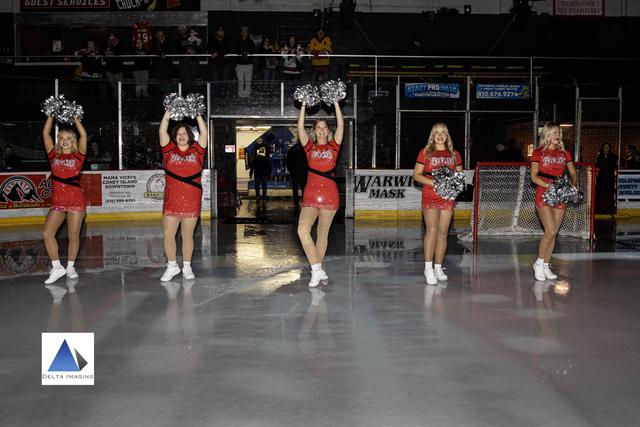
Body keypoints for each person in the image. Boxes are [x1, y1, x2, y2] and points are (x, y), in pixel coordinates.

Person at [296, 100, 344, 287]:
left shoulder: (334, 147)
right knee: (302, 230)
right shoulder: (309, 148)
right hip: (311, 194)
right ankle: (317, 269)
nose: (322, 130)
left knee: (322, 234)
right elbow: (300, 128)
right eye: (319, 128)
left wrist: (336, 103)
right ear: (314, 131)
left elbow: (341, 125)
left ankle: (318, 269)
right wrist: (303, 105)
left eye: (325, 127)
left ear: (328, 131)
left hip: (330, 195)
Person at [158, 109, 208, 282]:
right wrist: (168, 112)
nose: (181, 136)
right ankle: (172, 266)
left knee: (187, 235)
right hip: (172, 200)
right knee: (168, 234)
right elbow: (162, 131)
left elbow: (204, 133)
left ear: (189, 136)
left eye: (184, 133)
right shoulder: (169, 151)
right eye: (178, 134)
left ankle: (187, 266)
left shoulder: (197, 151)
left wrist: (197, 113)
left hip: (191, 200)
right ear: (175, 137)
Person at [412, 123, 463, 285]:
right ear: (432, 136)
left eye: (443, 133)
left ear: (447, 136)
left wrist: (453, 186)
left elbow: (460, 175)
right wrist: (435, 183)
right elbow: (417, 175)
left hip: (447, 197)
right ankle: (428, 268)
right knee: (432, 230)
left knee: (443, 232)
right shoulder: (425, 152)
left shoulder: (455, 154)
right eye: (437, 133)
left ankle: (438, 267)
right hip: (431, 194)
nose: (440, 136)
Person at [41, 116, 88, 284]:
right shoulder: (53, 156)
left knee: (73, 235)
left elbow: (84, 135)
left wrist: (75, 119)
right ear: (58, 141)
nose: (65, 141)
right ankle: (57, 267)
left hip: (76, 199)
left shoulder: (78, 157)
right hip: (58, 201)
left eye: (68, 138)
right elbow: (45, 134)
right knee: (47, 233)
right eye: (61, 138)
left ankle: (70, 267)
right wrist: (50, 115)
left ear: (73, 141)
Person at [530, 122, 578, 281]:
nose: (558, 135)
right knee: (550, 230)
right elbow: (534, 176)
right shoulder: (538, 153)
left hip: (560, 194)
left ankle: (545, 265)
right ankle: (538, 263)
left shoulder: (565, 154)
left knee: (553, 233)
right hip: (544, 193)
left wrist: (572, 185)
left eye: (559, 133)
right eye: (555, 132)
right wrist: (550, 187)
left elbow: (573, 173)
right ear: (547, 134)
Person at [208, 24, 232, 94]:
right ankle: (217, 92)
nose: (221, 31)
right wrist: (221, 53)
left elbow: (228, 49)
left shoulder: (227, 39)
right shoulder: (212, 39)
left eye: (222, 30)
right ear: (216, 31)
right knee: (216, 78)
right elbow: (210, 49)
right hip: (215, 63)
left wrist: (218, 53)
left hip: (225, 62)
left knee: (225, 78)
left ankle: (224, 92)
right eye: (219, 30)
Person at [150, 30, 173, 98]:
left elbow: (170, 51)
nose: (160, 36)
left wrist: (164, 53)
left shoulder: (168, 42)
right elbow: (153, 51)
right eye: (159, 35)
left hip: (167, 65)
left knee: (167, 81)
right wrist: (160, 53)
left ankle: (168, 96)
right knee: (159, 81)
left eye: (162, 35)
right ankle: (160, 96)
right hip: (158, 65)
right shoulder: (154, 42)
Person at [596, 143, 617, 214]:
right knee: (601, 194)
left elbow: (614, 165)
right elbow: (598, 165)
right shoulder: (600, 156)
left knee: (609, 194)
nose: (606, 148)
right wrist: (601, 157)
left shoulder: (613, 156)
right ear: (603, 148)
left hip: (610, 178)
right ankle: (600, 209)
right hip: (601, 178)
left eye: (608, 147)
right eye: (605, 147)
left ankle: (609, 209)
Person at [234, 26, 255, 98]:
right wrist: (242, 52)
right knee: (240, 81)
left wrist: (248, 52)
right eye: (243, 32)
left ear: (247, 33)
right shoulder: (237, 41)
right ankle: (240, 95)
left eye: (245, 32)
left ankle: (247, 95)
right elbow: (235, 50)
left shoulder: (251, 42)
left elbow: (253, 51)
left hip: (248, 64)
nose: (244, 33)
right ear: (241, 33)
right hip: (239, 64)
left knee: (248, 81)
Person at [286, 140, 308, 206]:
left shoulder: (291, 149)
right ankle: (304, 200)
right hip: (303, 172)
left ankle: (296, 200)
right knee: (303, 187)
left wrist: (291, 170)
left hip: (294, 172)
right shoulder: (305, 150)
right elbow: (307, 161)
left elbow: (288, 161)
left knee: (295, 187)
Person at [102, 33, 124, 98]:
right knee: (114, 86)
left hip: (118, 69)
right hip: (109, 69)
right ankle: (123, 94)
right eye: (110, 36)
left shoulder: (119, 44)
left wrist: (113, 46)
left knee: (118, 86)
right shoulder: (106, 44)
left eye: (113, 36)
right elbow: (103, 53)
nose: (111, 38)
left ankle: (119, 100)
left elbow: (119, 53)